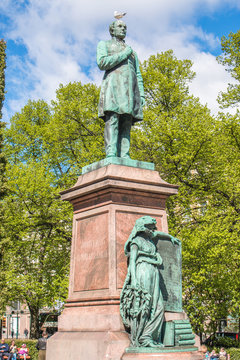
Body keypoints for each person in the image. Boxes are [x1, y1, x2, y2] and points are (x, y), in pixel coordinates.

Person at [120, 216, 180, 347]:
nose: (153, 230)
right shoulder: (136, 241)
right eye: (150, 227)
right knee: (145, 305)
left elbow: (158, 234)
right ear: (143, 228)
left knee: (158, 306)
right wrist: (134, 280)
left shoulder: (150, 239)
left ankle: (148, 336)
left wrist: (170, 238)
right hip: (143, 271)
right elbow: (132, 261)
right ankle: (142, 338)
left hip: (153, 271)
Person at [97, 18, 145, 158]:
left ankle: (125, 154)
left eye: (125, 27)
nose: (123, 29)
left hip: (130, 90)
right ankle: (111, 153)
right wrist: (124, 54)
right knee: (112, 119)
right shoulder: (104, 44)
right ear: (112, 30)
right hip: (113, 87)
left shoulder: (132, 53)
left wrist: (141, 94)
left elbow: (138, 74)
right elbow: (102, 63)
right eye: (120, 26)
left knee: (126, 122)